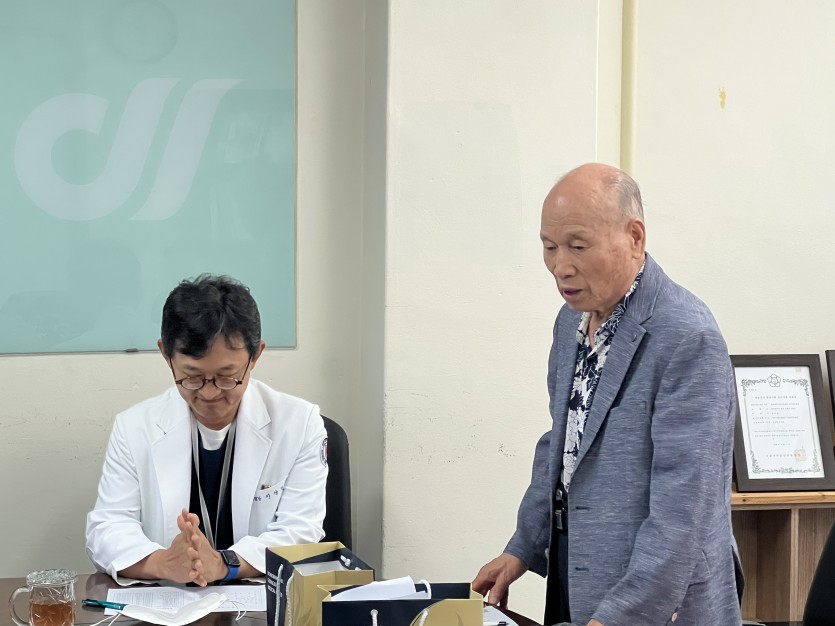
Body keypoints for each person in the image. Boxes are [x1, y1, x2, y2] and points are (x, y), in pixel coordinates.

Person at [473, 164, 742, 625]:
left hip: (657, 598)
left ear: (634, 237)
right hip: (577, 571)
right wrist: (522, 547)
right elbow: (563, 445)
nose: (561, 266)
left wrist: (620, 616)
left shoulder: (687, 337)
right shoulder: (570, 322)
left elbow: (683, 512)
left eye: (578, 246)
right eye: (549, 246)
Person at [86, 275, 328, 585]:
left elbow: (301, 530)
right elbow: (107, 529)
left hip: (258, 601)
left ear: (255, 356)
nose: (210, 393)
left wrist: (224, 564)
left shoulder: (300, 424)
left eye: (227, 377)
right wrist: (163, 563)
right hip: (171, 600)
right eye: (193, 377)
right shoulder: (135, 427)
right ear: (166, 355)